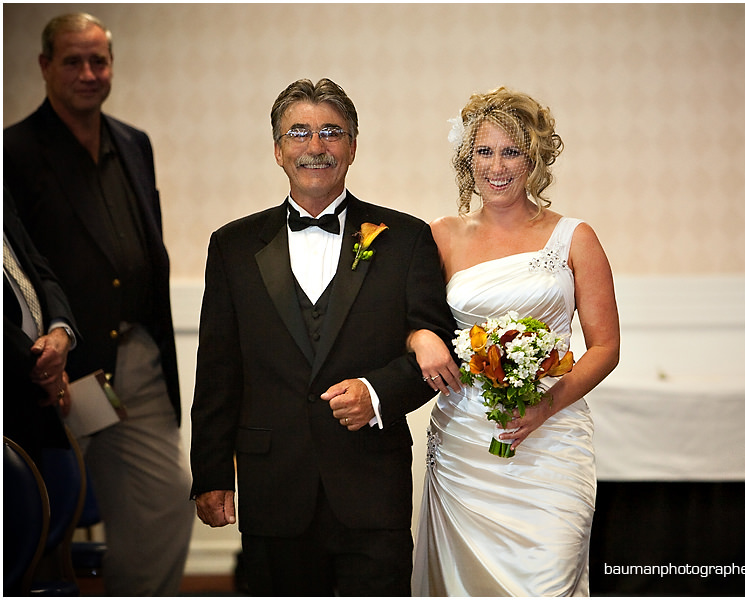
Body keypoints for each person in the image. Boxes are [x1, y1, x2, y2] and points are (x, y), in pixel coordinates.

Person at [189, 77, 457, 596]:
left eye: (332, 132)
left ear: (353, 147)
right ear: (277, 150)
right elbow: (218, 368)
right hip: (273, 488)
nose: (316, 146)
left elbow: (439, 350)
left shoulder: (405, 238)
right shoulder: (232, 246)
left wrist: (377, 393)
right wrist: (211, 472)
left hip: (370, 486)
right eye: (299, 133)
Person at [3, 13, 193, 595]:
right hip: (55, 371)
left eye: (99, 61)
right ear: (44, 66)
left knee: (168, 501)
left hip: (136, 358)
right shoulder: (14, 152)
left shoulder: (133, 143)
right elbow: (26, 270)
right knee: (43, 515)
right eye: (73, 61)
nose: (89, 73)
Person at [408, 87, 620, 596]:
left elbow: (606, 347)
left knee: (548, 580)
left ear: (535, 159)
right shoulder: (441, 235)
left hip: (552, 441)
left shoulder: (575, 237)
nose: (496, 166)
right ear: (467, 159)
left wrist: (546, 407)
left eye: (512, 151)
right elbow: (408, 318)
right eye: (484, 151)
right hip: (465, 446)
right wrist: (420, 337)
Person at [4, 188, 78, 469]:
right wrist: (42, 363)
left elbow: (40, 269)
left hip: (31, 399)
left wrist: (60, 333)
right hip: (14, 383)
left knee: (38, 508)